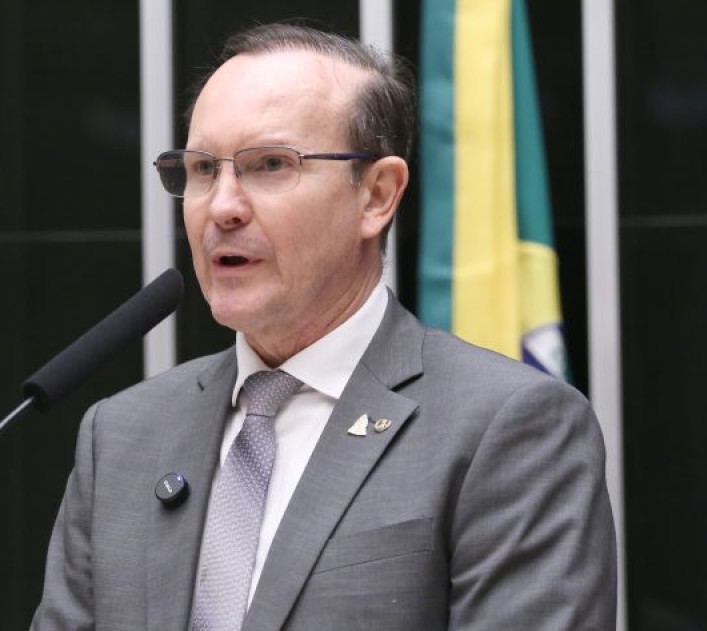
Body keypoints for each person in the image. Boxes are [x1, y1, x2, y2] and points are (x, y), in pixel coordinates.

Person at [31, 23, 616, 631]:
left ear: (377, 196)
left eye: (269, 165)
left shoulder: (508, 428)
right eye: (203, 169)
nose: (222, 207)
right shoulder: (122, 436)